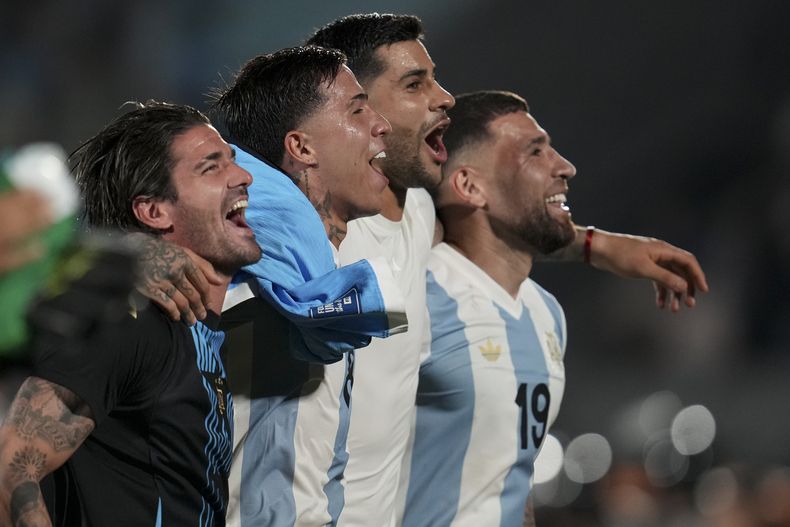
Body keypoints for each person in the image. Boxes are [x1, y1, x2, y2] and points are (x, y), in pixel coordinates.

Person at [307, 13, 708, 526]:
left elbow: (510, 479)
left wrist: (597, 245)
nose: (564, 166)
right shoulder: (372, 262)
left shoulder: (533, 305)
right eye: (415, 83)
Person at [0, 101, 262, 526]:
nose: (243, 176)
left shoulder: (192, 328)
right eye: (210, 168)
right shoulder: (133, 321)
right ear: (154, 210)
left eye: (232, 161)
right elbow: (10, 472)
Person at [209, 46, 405, 526]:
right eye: (357, 110)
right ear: (301, 148)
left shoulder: (321, 270)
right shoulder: (244, 267)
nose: (381, 125)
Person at [397, 90, 582, 526]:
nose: (564, 167)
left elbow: (513, 479)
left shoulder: (546, 313)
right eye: (534, 152)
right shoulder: (418, 295)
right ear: (469, 186)